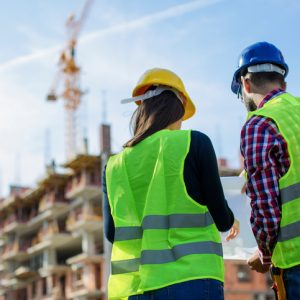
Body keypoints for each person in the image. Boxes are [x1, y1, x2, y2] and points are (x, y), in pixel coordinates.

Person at [103, 68, 239, 300]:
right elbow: (222, 219)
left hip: (134, 288)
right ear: (177, 109)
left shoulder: (114, 165)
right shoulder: (193, 143)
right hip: (191, 280)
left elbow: (111, 233)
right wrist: (232, 218)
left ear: (143, 110)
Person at [231, 41, 300, 299]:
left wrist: (264, 254)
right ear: (283, 82)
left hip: (295, 259)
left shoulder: (259, 124)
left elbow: (266, 209)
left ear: (246, 84)